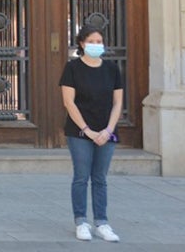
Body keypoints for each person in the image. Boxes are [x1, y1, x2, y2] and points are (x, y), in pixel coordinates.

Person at [60, 26, 122, 242]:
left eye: (99, 41)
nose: (96, 45)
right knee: (81, 177)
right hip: (79, 132)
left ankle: (102, 222)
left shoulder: (112, 69)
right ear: (82, 44)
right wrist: (87, 130)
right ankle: (81, 221)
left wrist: (108, 130)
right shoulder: (72, 68)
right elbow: (69, 102)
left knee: (100, 178)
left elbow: (118, 102)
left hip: (106, 132)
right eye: (92, 41)